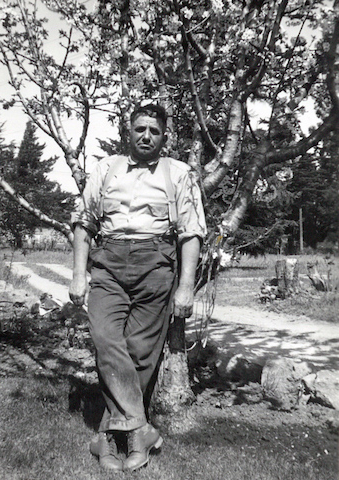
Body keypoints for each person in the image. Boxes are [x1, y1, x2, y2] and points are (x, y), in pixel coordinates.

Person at [69, 103, 206, 472]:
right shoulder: (105, 168)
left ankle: (111, 438)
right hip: (109, 262)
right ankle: (141, 428)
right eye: (140, 129)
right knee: (105, 339)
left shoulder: (178, 173)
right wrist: (79, 274)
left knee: (142, 353)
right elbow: (84, 223)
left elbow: (191, 232)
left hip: (156, 264)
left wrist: (186, 286)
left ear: (164, 137)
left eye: (155, 131)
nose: (146, 136)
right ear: (127, 132)